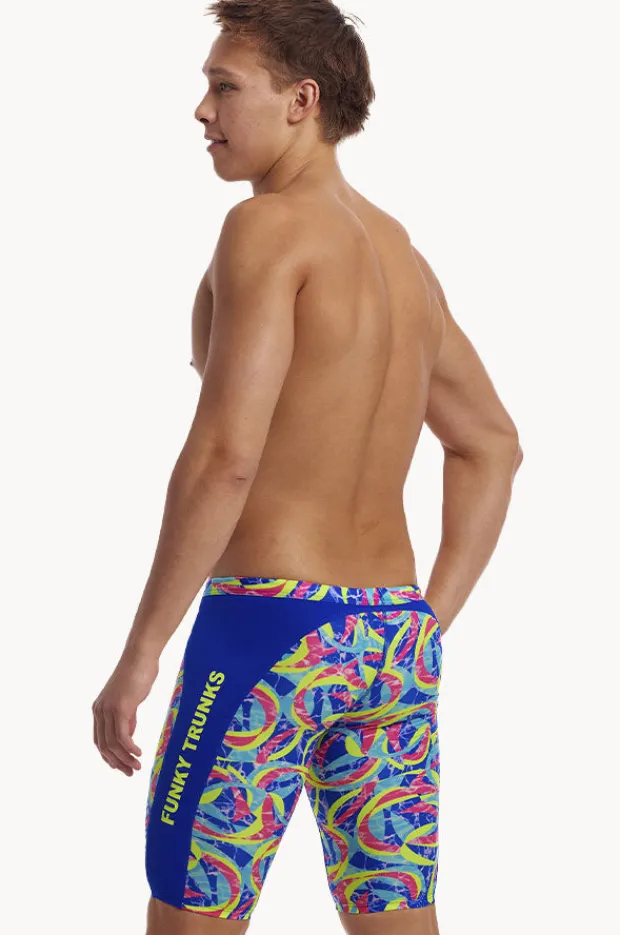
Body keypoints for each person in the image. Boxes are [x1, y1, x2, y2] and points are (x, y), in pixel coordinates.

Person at [92, 2, 523, 933]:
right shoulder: (403, 258)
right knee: (396, 915)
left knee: (192, 913)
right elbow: (491, 443)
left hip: (271, 634)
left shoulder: (267, 229)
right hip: (391, 640)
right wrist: (426, 622)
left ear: (302, 100)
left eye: (224, 87)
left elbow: (226, 457)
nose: (202, 110)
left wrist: (140, 653)